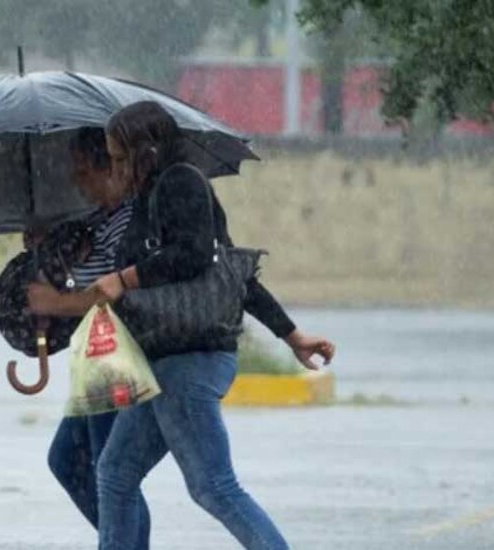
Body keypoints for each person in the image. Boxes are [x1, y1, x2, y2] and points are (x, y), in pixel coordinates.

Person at [77, 101, 334, 549]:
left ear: (146, 151)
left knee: (213, 486)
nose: (114, 167)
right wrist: (293, 335)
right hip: (163, 361)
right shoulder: (149, 197)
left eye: (120, 158)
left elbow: (196, 256)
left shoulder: (181, 182)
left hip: (189, 360)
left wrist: (125, 278)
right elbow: (231, 274)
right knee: (115, 474)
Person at [23, 127, 152, 544]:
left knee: (111, 473)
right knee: (68, 460)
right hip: (96, 359)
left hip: (117, 358)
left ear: (112, 168)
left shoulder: (131, 223)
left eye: (84, 172)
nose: (77, 183)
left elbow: (112, 297)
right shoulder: (99, 221)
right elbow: (81, 270)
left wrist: (54, 303)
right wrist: (46, 244)